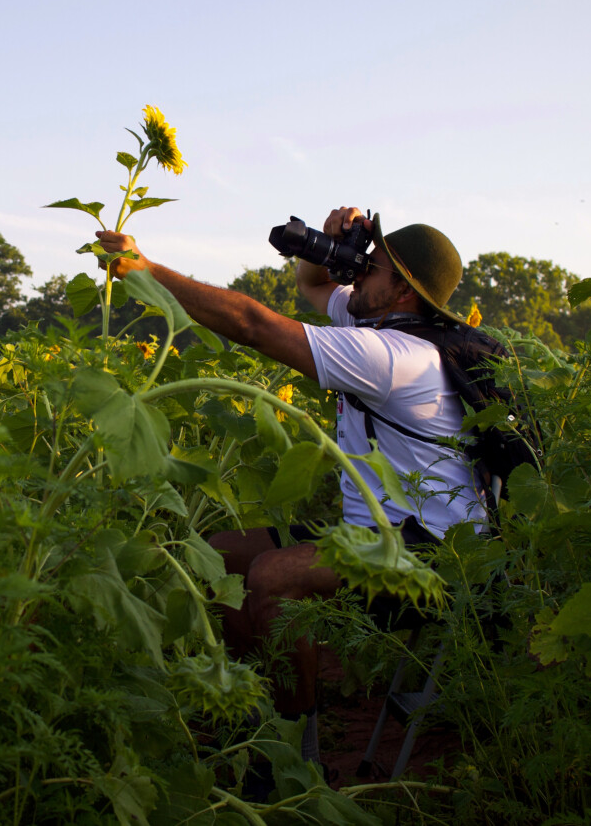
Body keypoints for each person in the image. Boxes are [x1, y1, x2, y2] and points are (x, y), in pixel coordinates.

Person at [95, 206, 481, 763]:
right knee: (213, 556)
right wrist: (327, 244)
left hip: (428, 554)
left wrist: (144, 270)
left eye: (374, 266)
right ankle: (256, 705)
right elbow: (312, 282)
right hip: (372, 533)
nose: (360, 271)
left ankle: (293, 744)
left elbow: (253, 324)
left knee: (271, 576)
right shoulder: (380, 325)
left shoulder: (397, 357)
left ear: (402, 290)